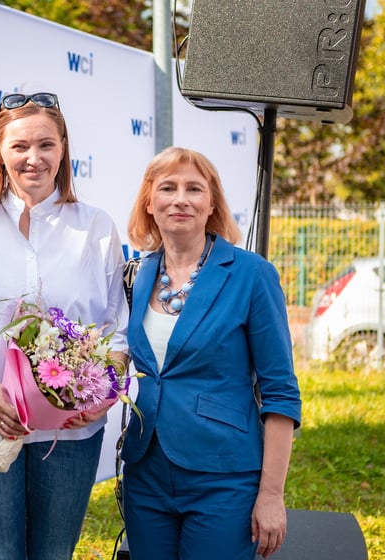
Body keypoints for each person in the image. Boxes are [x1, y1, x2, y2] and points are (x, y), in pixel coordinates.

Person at [0, 91, 129, 559]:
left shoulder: (96, 229)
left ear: (63, 149)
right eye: (19, 146)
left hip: (71, 430)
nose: (33, 158)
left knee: (54, 553)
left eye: (46, 145)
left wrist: (102, 392)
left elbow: (117, 328)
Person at [121, 146, 302, 560]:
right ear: (149, 202)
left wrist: (271, 494)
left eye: (194, 189)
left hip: (224, 476)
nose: (180, 199)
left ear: (212, 204)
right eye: (167, 188)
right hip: (146, 473)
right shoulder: (137, 274)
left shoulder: (251, 274)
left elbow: (280, 392)